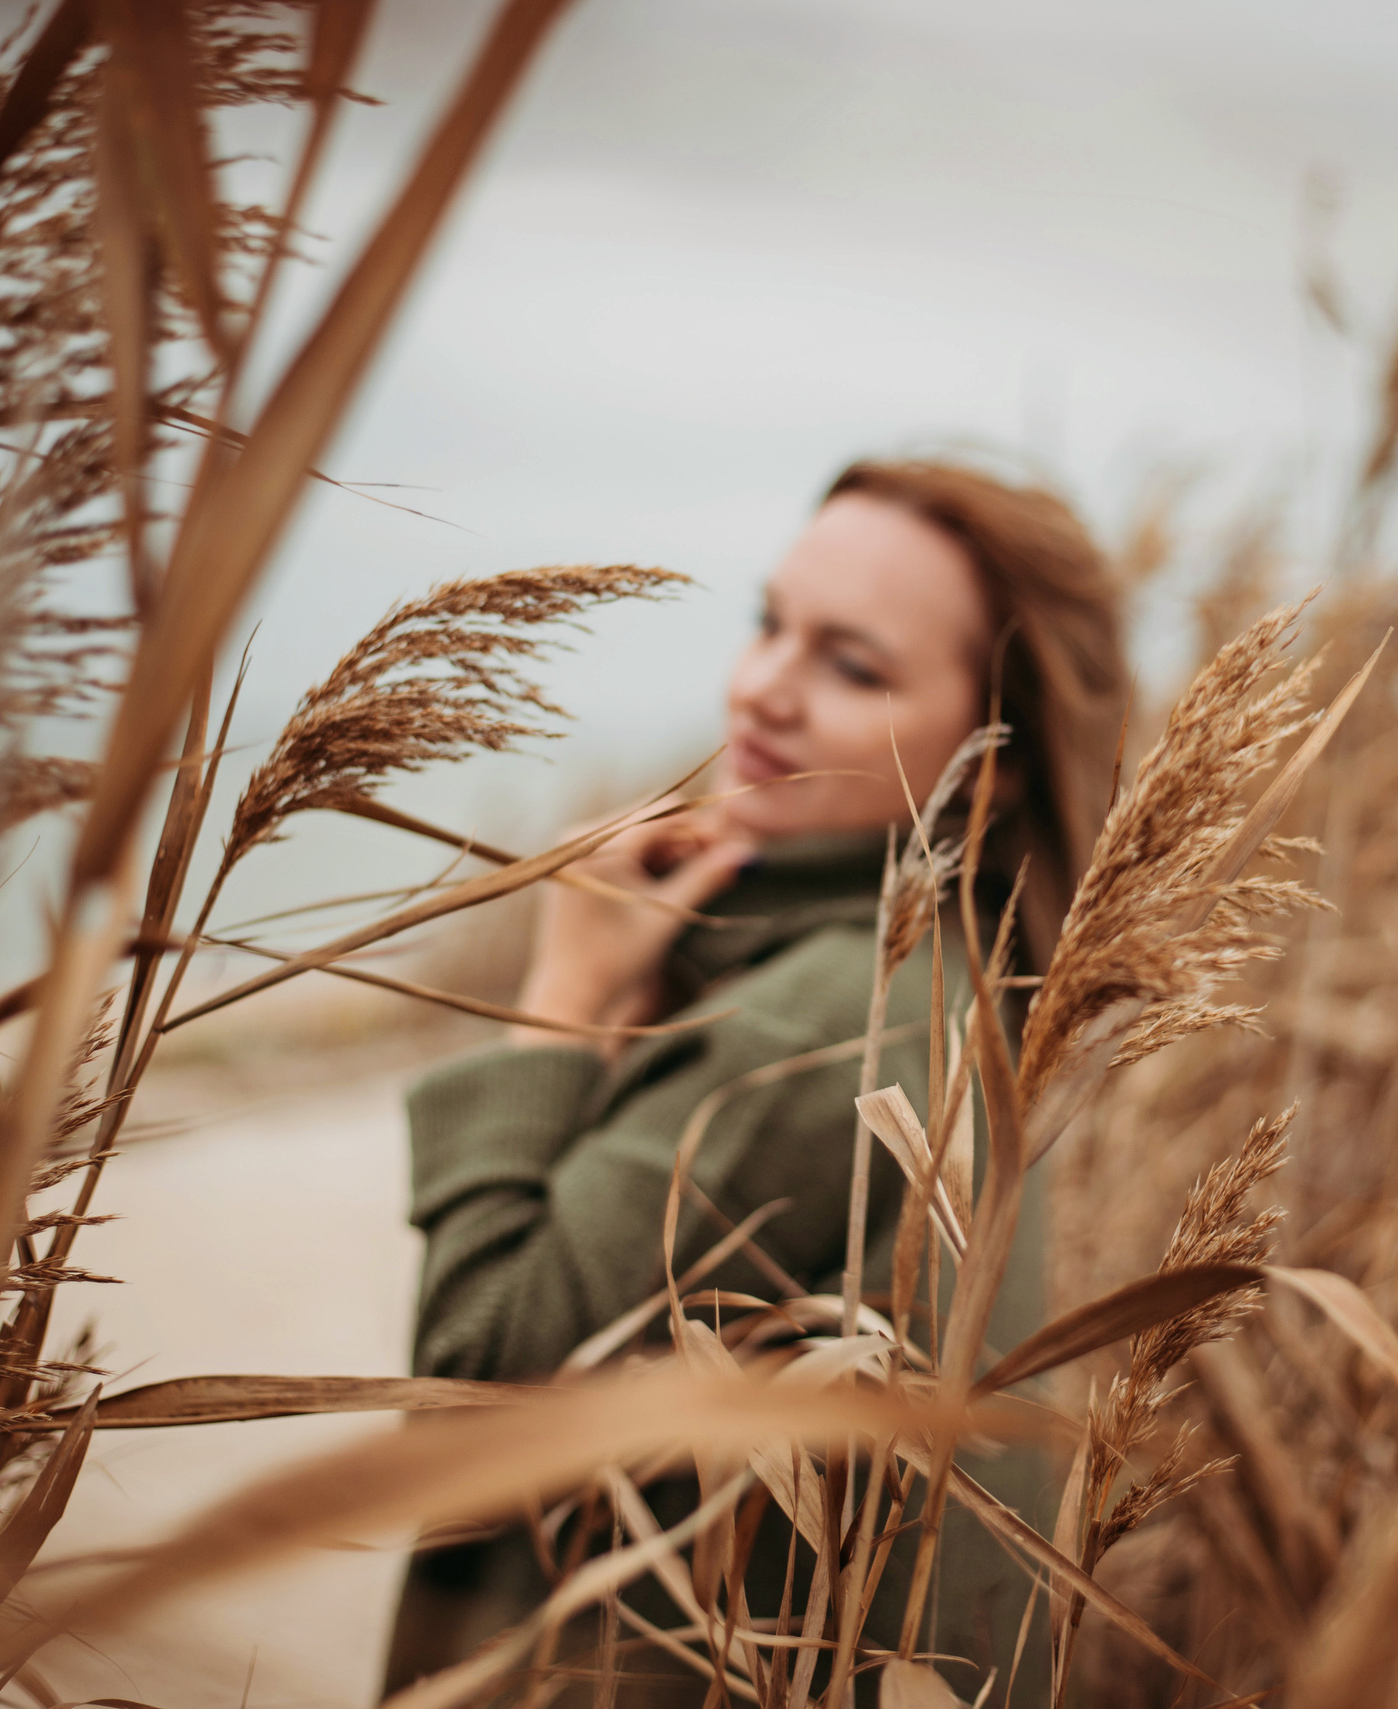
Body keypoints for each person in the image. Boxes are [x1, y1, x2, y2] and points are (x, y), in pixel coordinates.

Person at [381, 459, 1128, 1703]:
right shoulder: (946, 979)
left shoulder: (823, 1022)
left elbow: (470, 1381)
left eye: (852, 666)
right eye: (769, 622)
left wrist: (562, 994)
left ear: (989, 765)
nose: (761, 686)